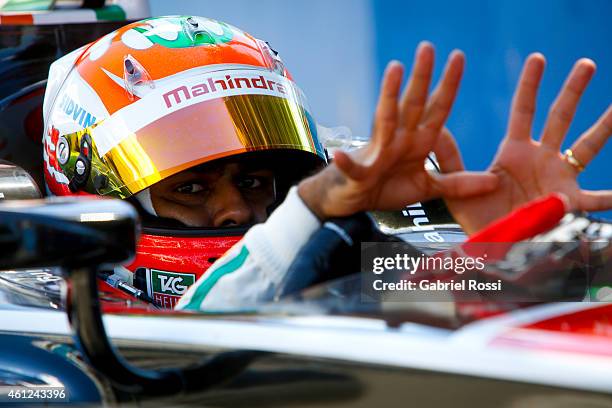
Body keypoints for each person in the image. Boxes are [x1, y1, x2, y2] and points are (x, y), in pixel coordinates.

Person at [41, 16, 611, 310]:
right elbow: (204, 328)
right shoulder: (37, 310)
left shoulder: (334, 262)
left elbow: (463, 290)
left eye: (255, 180)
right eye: (191, 189)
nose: (236, 209)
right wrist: (307, 210)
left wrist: (513, 245)